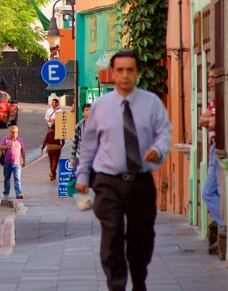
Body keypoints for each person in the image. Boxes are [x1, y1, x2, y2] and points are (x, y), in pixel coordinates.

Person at [75, 51, 172, 291]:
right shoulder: (100, 107)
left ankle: (139, 280)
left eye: (130, 70)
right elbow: (88, 144)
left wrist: (158, 149)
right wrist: (83, 175)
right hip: (108, 182)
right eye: (120, 70)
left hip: (140, 182)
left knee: (142, 237)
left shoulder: (151, 103)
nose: (125, 75)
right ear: (113, 72)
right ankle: (116, 285)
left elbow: (165, 132)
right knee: (113, 233)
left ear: (137, 72)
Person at [200, 68, 223, 255]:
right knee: (212, 191)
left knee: (208, 192)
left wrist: (209, 121)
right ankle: (223, 224)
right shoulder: (215, 101)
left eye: (213, 77)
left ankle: (224, 225)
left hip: (218, 146)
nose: (209, 81)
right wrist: (209, 120)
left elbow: (214, 123)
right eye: (208, 77)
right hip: (213, 146)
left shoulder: (221, 100)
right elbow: (202, 120)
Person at [0, 124, 26, 200]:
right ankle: (6, 193)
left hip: (17, 163)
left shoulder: (20, 140)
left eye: (16, 132)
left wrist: (24, 160)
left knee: (17, 179)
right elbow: (0, 148)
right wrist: (8, 145)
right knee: (7, 178)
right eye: (13, 132)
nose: (14, 134)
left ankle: (18, 193)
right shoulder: (6, 139)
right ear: (10, 132)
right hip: (7, 162)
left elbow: (23, 150)